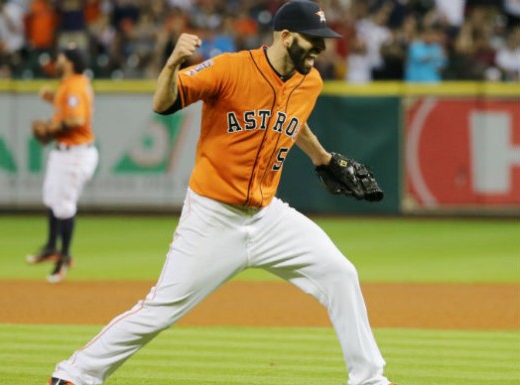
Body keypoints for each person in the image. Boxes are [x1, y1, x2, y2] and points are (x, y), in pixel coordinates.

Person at [45, 1, 396, 385]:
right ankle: (75, 373)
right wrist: (171, 62)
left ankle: (368, 379)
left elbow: (292, 122)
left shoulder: (309, 82)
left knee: (339, 273)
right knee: (161, 308)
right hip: (212, 217)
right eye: (312, 40)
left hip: (268, 217)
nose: (320, 48)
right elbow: (164, 102)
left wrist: (322, 159)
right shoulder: (230, 68)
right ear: (285, 37)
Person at [25, 45, 99, 284]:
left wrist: (50, 127)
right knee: (51, 198)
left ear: (69, 62)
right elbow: (68, 110)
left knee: (65, 204)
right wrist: (52, 99)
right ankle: (51, 248)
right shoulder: (67, 84)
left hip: (76, 153)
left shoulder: (76, 84)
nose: (57, 60)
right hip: (63, 152)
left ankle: (64, 257)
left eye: (60, 57)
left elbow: (77, 119)